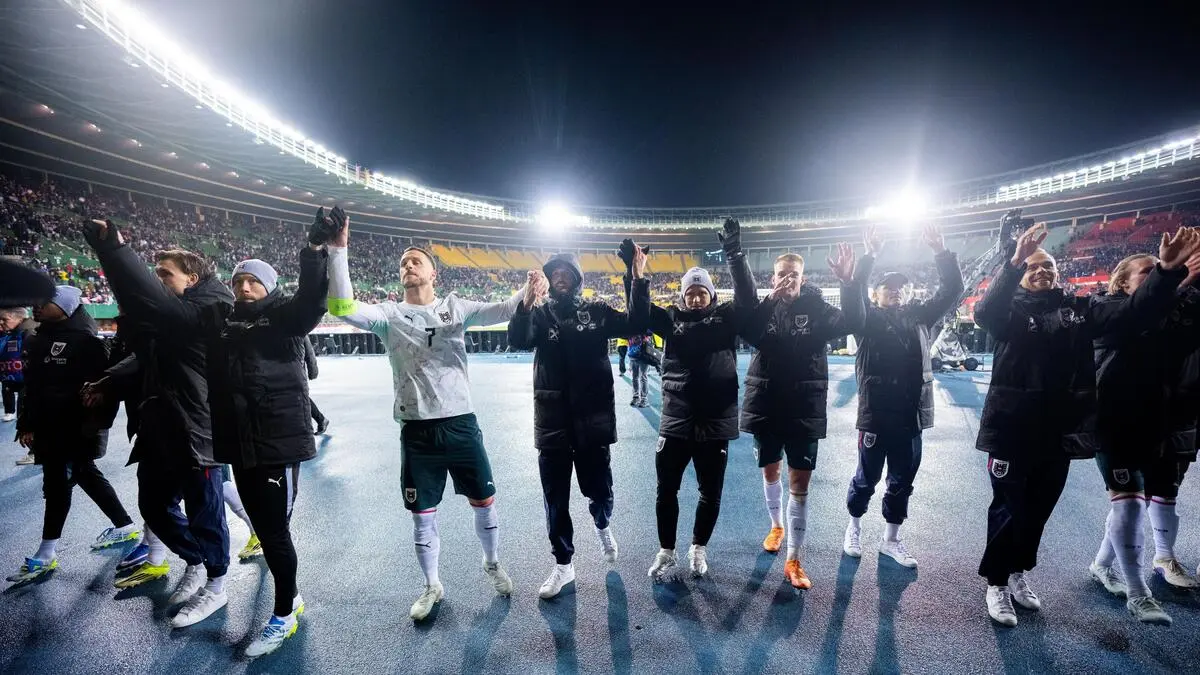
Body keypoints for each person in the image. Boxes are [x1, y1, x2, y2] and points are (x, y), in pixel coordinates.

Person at [85, 214, 329, 655]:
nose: (244, 288)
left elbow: (312, 302)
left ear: (270, 288)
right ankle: (286, 596)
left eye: (254, 282)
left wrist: (315, 251)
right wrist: (115, 252)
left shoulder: (283, 318)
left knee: (275, 534)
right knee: (263, 528)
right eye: (239, 281)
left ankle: (283, 613)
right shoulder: (220, 322)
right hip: (235, 442)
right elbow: (161, 310)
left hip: (276, 444)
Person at [973, 223, 1197, 628]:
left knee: (1038, 510)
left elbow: (1131, 311)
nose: (1042, 271)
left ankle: (1018, 572)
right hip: (1011, 430)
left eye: (1048, 265)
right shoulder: (1010, 311)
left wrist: (1166, 272)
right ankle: (997, 583)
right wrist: (1012, 262)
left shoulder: (1078, 309)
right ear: (1021, 274)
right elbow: (984, 313)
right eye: (1033, 267)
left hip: (1060, 431)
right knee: (1008, 507)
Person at [326, 214, 537, 622]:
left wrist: (529, 288)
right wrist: (338, 251)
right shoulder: (388, 314)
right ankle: (431, 585)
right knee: (422, 515)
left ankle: (491, 562)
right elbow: (341, 307)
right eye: (403, 262)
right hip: (417, 430)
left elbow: (505, 309)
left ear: (432, 273)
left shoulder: (455, 307)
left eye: (416, 261)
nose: (408, 265)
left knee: (484, 502)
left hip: (460, 424)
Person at [81, 231, 234, 630]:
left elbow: (153, 305)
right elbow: (144, 356)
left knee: (206, 513)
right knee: (153, 506)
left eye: (165, 274)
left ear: (192, 279)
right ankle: (197, 561)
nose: (158, 279)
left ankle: (217, 585)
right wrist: (110, 380)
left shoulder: (208, 310)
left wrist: (114, 250)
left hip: (198, 429)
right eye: (156, 273)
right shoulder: (173, 316)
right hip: (159, 426)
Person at [507, 243, 649, 599]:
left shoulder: (597, 312)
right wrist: (526, 302)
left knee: (600, 492)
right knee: (555, 500)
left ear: (577, 279)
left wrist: (635, 276)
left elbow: (636, 323)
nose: (559, 278)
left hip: (592, 421)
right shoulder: (540, 314)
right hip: (552, 422)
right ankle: (563, 564)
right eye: (554, 273)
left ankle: (602, 522)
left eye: (566, 273)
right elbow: (518, 339)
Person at [732, 243, 863, 590]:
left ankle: (793, 558)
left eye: (794, 275)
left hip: (804, 408)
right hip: (767, 404)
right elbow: (747, 332)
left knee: (800, 484)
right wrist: (769, 301)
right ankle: (776, 526)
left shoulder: (817, 309)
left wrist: (849, 283)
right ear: (773, 278)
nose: (788, 280)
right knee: (771, 471)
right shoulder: (765, 308)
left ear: (803, 280)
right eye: (782, 274)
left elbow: (854, 321)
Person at [1088, 251, 1200, 625]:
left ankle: (1102, 565)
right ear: (1122, 282)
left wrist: (1188, 286)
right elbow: (1139, 314)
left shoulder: (1165, 311)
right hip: (1113, 421)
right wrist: (1173, 278)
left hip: (1155, 422)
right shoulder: (1107, 307)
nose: (1159, 276)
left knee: (1134, 502)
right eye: (1147, 272)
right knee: (1130, 505)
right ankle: (1139, 594)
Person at [843, 225, 964, 568]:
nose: (895, 291)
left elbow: (953, 290)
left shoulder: (920, 317)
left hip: (911, 416)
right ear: (876, 293)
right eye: (888, 287)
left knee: (902, 481)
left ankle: (891, 540)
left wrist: (941, 252)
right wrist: (869, 256)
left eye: (900, 287)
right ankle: (853, 528)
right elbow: (852, 299)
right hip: (876, 415)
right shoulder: (866, 319)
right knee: (866, 478)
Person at [645, 218, 757, 580]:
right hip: (676, 421)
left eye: (701, 292)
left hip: (715, 423)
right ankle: (666, 551)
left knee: (710, 493)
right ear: (682, 295)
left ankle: (698, 549)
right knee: (666, 491)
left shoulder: (727, 319)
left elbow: (748, 299)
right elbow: (639, 312)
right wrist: (636, 275)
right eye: (690, 292)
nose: (695, 297)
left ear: (711, 295)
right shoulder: (670, 319)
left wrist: (734, 254)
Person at [8, 286, 139, 584]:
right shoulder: (37, 339)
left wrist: (92, 429)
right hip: (48, 427)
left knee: (58, 484)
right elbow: (31, 388)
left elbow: (104, 391)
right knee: (83, 474)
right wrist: (26, 424)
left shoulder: (87, 342)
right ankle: (124, 525)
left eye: (45, 302)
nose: (37, 306)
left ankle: (45, 554)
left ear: (66, 307)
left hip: (76, 429)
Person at [304, 338, 329, 435]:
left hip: (294, 373)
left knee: (300, 398)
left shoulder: (297, 330)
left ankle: (321, 420)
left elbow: (309, 352)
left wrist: (313, 370)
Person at [626, 330, 653, 407]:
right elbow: (650, 332)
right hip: (638, 354)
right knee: (640, 377)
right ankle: (641, 399)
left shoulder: (629, 326)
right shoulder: (643, 325)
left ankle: (639, 398)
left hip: (636, 354)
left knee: (638, 377)